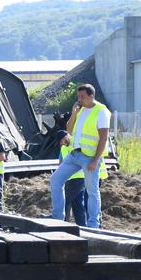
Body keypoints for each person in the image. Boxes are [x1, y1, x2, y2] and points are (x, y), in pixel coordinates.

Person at [50, 84, 111, 228]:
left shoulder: (101, 111)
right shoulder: (81, 110)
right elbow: (69, 130)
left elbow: (103, 137)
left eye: (82, 97)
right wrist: (74, 113)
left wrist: (96, 160)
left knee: (92, 191)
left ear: (91, 96)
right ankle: (58, 217)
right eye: (78, 97)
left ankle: (93, 224)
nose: (79, 99)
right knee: (55, 180)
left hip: (89, 157)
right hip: (74, 155)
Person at [55, 129, 88, 226]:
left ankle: (63, 224)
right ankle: (82, 226)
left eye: (62, 140)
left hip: (77, 178)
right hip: (73, 178)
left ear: (66, 136)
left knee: (65, 201)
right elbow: (61, 164)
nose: (62, 143)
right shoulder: (63, 148)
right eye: (61, 142)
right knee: (77, 204)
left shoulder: (76, 143)